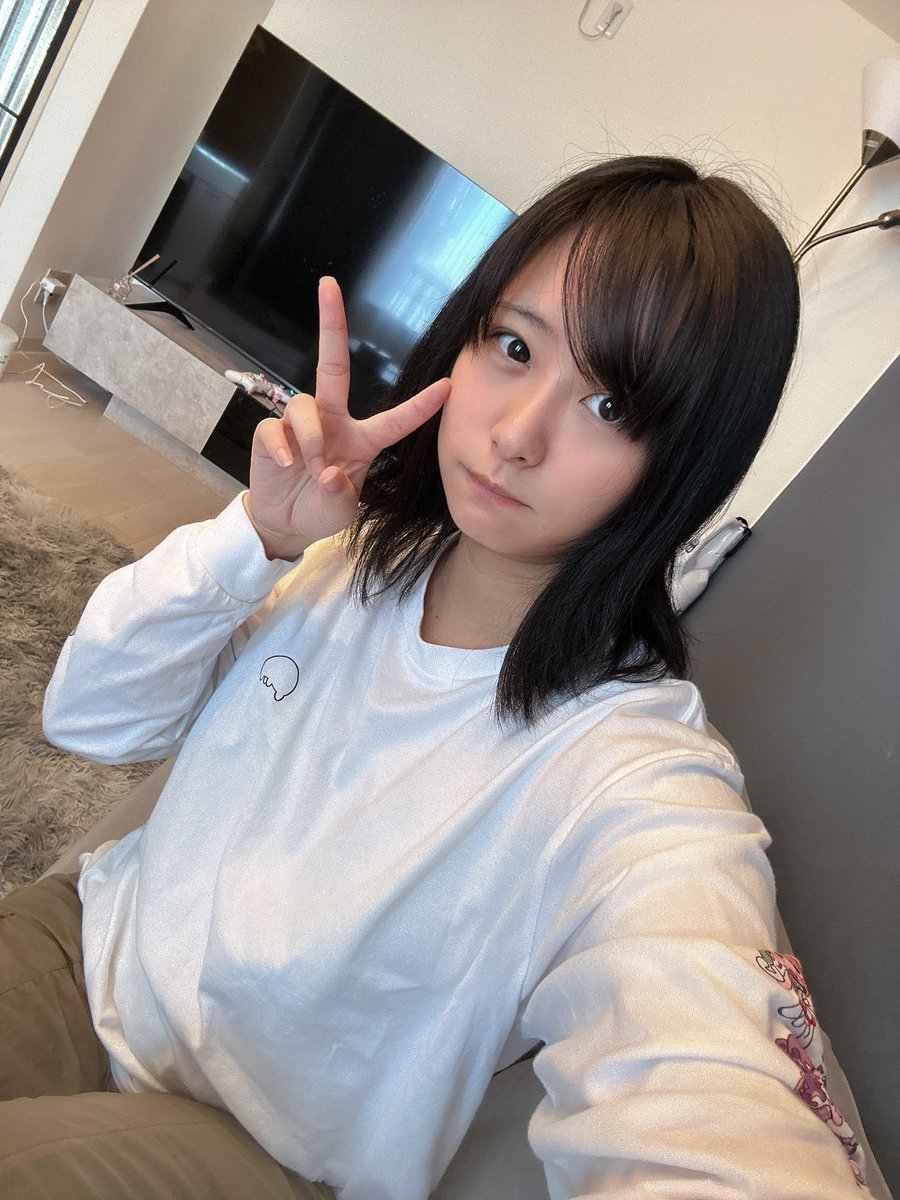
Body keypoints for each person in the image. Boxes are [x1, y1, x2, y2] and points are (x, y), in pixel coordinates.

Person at [1, 155, 871, 1199]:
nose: (515, 435)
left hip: (258, 1145)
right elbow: (92, 719)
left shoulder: (632, 777)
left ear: (682, 464)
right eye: (515, 348)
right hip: (86, 950)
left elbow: (701, 1084)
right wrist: (255, 538)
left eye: (610, 406)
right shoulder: (344, 562)